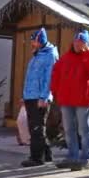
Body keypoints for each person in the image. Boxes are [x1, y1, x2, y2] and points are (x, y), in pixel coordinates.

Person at [51, 30, 89, 171]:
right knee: (69, 130)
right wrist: (55, 93)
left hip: (83, 100)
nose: (78, 45)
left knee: (84, 129)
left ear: (87, 43)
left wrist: (88, 53)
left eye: (81, 42)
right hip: (66, 100)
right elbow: (55, 76)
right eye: (76, 42)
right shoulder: (65, 58)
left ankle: (85, 159)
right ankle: (73, 157)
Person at [20, 28, 59, 167]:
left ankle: (36, 158)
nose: (32, 43)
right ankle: (47, 155)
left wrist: (44, 97)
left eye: (34, 41)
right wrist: (24, 96)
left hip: (39, 98)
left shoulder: (49, 56)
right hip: (31, 96)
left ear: (40, 41)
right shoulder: (37, 55)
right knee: (36, 127)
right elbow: (30, 78)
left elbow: (49, 79)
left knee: (36, 128)